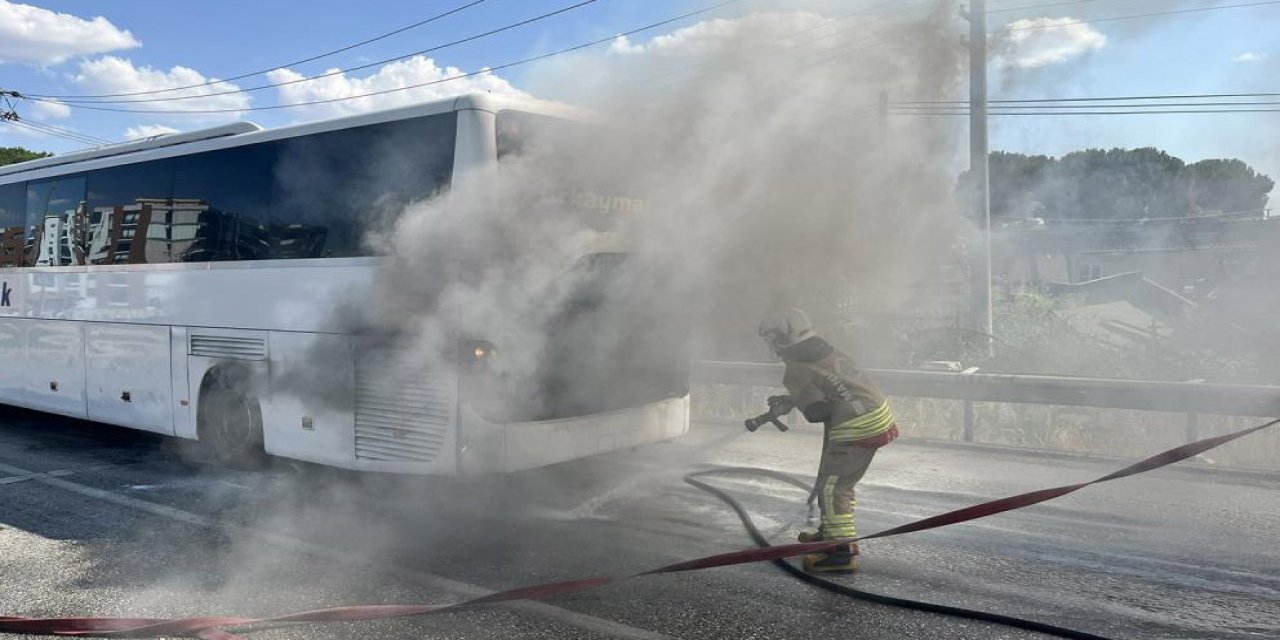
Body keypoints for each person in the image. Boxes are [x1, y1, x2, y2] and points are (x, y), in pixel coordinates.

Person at [757, 307, 899, 573]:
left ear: (779, 339)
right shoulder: (828, 351)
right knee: (835, 483)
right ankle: (831, 533)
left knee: (834, 488)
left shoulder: (796, 370)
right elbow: (833, 387)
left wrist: (797, 398)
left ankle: (841, 553)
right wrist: (794, 399)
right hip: (876, 415)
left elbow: (816, 412)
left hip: (855, 428)